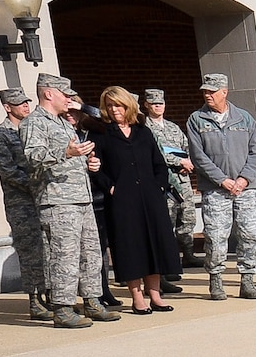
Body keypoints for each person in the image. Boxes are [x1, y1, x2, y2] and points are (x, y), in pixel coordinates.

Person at [22, 75, 114, 329]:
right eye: (66, 95)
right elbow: (33, 157)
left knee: (91, 254)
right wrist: (66, 152)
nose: (70, 100)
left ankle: (92, 301)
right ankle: (62, 308)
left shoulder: (64, 123)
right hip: (57, 201)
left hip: (80, 197)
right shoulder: (34, 123)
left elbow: (74, 156)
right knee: (64, 256)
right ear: (49, 94)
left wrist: (89, 164)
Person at [94, 85, 181, 315]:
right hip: (123, 201)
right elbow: (95, 168)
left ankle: (155, 295)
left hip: (150, 198)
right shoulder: (101, 133)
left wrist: (159, 185)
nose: (114, 110)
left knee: (155, 244)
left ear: (128, 106)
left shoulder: (143, 132)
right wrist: (110, 187)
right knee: (130, 247)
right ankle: (137, 297)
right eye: (110, 105)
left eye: (119, 105)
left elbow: (159, 163)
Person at [187, 72, 256, 300]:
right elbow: (198, 156)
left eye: (212, 91)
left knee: (249, 234)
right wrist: (222, 180)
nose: (207, 95)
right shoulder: (197, 119)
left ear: (224, 92)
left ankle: (247, 280)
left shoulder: (244, 118)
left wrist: (243, 179)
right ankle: (216, 280)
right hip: (216, 189)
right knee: (216, 236)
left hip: (246, 188)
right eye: (205, 91)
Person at [0, 86, 52, 322]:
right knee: (30, 251)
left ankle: (51, 295)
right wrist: (37, 184)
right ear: (7, 107)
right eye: (19, 103)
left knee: (48, 248)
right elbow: (7, 170)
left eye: (26, 102)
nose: (25, 106)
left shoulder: (33, 129)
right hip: (21, 203)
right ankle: (35, 300)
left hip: (45, 198)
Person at [142, 87, 197, 285]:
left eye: (161, 103)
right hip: (164, 181)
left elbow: (185, 148)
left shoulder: (173, 127)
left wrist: (186, 163)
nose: (158, 106)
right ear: (146, 105)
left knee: (187, 217)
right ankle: (169, 263)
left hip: (183, 181)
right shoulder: (145, 128)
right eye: (154, 103)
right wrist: (177, 162)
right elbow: (155, 152)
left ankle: (188, 253)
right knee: (168, 221)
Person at [73, 99, 120, 306]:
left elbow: (109, 118)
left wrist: (81, 107)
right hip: (72, 198)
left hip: (98, 197)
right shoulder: (60, 131)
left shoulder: (94, 130)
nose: (70, 113)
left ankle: (103, 290)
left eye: (74, 109)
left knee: (98, 248)